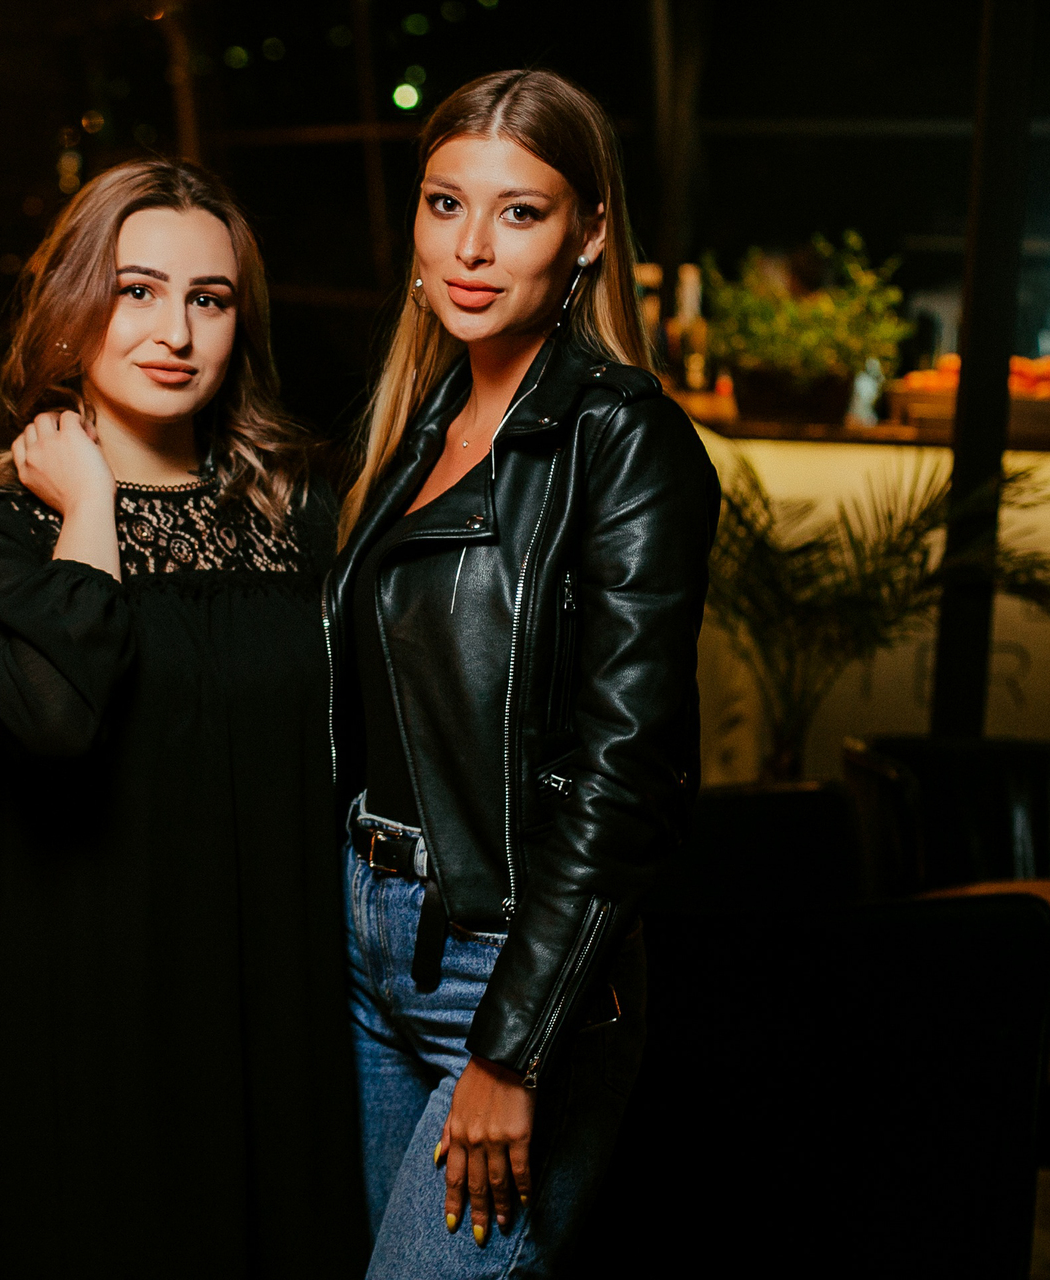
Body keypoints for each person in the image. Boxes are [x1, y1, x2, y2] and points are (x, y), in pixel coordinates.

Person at [0, 158, 366, 1276]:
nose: (176, 331)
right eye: (137, 291)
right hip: (86, 1015)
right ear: (73, 305)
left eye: (208, 299)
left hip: (272, 1005)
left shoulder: (301, 511)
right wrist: (90, 507)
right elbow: (57, 721)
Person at [324, 69, 721, 1278]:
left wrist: (514, 1043)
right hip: (369, 935)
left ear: (589, 234)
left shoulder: (628, 440)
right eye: (446, 203)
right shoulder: (418, 424)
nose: (472, 248)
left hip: (506, 963)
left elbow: (628, 771)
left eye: (521, 212)